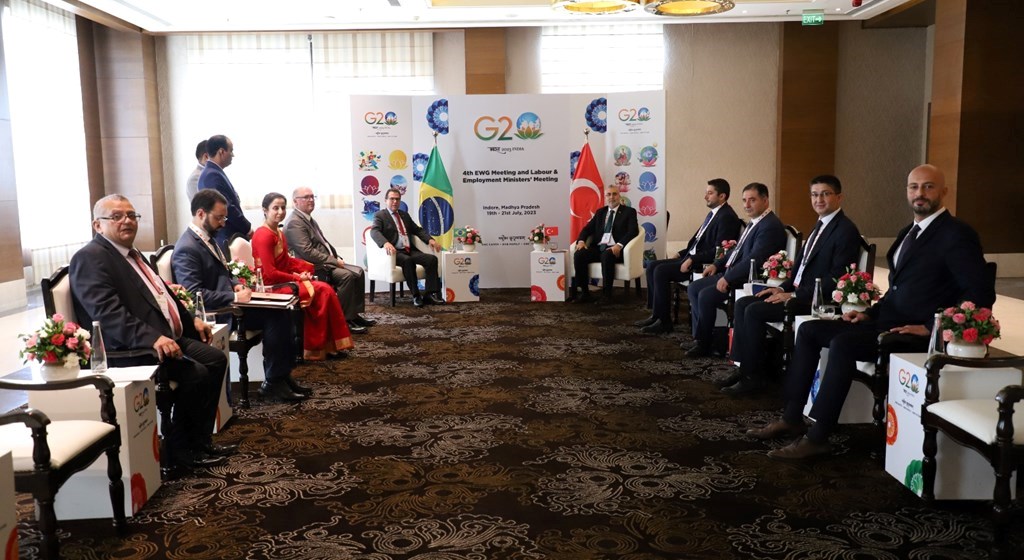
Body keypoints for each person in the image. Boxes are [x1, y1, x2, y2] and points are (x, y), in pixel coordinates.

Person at [751, 164, 995, 460]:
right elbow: (897, 291)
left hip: (914, 332)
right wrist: (869, 313)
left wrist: (933, 328)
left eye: (928, 186)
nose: (920, 193)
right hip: (885, 321)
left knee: (843, 343)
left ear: (944, 191)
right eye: (914, 187)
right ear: (907, 192)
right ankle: (792, 417)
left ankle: (818, 436)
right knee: (810, 330)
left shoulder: (956, 234)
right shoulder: (909, 232)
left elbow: (980, 293)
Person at [70, 194, 231, 470]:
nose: (127, 221)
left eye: (131, 215)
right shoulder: (90, 258)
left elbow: (162, 294)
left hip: (165, 338)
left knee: (215, 360)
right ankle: (178, 452)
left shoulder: (132, 254)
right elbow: (107, 314)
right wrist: (153, 338)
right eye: (117, 216)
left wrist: (192, 321)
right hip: (128, 348)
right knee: (196, 374)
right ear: (98, 225)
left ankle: (199, 441)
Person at [721, 175, 862, 396]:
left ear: (839, 197)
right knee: (744, 303)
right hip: (798, 291)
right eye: (814, 195)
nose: (819, 200)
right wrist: (782, 288)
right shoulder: (821, 225)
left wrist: (794, 295)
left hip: (815, 300)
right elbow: (801, 268)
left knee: (754, 310)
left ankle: (753, 378)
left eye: (825, 194)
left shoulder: (845, 230)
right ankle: (745, 367)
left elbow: (836, 278)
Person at [172, 189, 307, 402]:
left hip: (231, 304)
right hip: (219, 313)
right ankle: (274, 382)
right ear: (200, 213)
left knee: (284, 310)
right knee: (276, 316)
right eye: (219, 218)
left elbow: (226, 273)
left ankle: (281, 376)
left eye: (224, 218)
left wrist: (236, 286)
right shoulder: (187, 248)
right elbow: (193, 294)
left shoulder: (208, 238)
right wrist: (233, 298)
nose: (223, 223)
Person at [685, 182, 786, 357]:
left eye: (752, 200)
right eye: (744, 200)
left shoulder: (770, 226)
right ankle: (703, 337)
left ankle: (706, 344)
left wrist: (728, 277)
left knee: (705, 295)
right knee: (694, 287)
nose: (747, 205)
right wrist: (717, 264)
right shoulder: (755, 222)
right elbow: (736, 250)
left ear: (765, 200)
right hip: (733, 272)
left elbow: (753, 259)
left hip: (747, 278)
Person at [252, 192, 354, 361]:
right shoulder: (264, 235)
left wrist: (305, 269)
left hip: (282, 281)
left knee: (325, 290)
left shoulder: (278, 232)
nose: (280, 212)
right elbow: (270, 273)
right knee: (324, 291)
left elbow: (286, 261)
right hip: (272, 286)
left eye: (283, 208)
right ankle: (316, 347)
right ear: (265, 210)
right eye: (275, 208)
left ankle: (327, 346)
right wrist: (298, 278)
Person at [638, 179, 742, 333]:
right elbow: (697, 242)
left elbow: (718, 250)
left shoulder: (727, 217)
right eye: (706, 193)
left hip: (702, 263)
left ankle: (664, 322)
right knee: (652, 265)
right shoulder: (714, 214)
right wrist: (681, 253)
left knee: (660, 271)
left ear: (722, 196)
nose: (705, 197)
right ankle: (656, 315)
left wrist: (692, 259)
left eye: (710, 193)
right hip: (691, 257)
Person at [284, 186, 375, 334]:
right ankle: (343, 320)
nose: (311, 200)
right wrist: (333, 261)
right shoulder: (295, 222)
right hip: (314, 267)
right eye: (306, 197)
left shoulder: (308, 219)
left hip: (325, 263)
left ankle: (353, 315)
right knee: (347, 276)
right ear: (295, 201)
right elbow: (307, 252)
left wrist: (335, 257)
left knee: (358, 272)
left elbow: (322, 243)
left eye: (312, 196)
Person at [369, 188, 443, 308]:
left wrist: (430, 240)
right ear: (385, 200)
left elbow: (417, 230)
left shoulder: (404, 215)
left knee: (431, 260)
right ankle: (416, 295)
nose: (395, 201)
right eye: (392, 199)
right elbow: (374, 231)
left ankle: (429, 294)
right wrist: (385, 243)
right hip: (395, 252)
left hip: (409, 250)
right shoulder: (380, 215)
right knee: (408, 261)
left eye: (397, 199)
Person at [567, 184, 640, 304]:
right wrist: (581, 241)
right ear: (605, 197)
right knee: (579, 254)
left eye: (614, 194)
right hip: (599, 248)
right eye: (608, 194)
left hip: (616, 250)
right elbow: (587, 229)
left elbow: (633, 231)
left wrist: (619, 245)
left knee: (607, 255)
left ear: (619, 196)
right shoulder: (600, 212)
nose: (611, 197)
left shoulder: (629, 212)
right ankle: (585, 293)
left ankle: (607, 295)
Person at [198, 134, 252, 253]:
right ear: (221, 152)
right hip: (225, 235)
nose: (233, 155)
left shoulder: (214, 172)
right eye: (231, 150)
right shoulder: (211, 175)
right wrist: (247, 228)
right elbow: (227, 207)